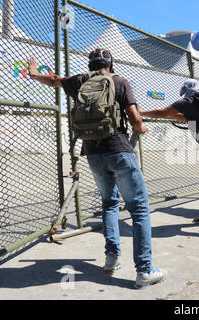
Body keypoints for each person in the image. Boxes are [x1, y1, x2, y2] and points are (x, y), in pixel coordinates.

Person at [26, 49, 166, 289]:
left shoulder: (80, 81)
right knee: (139, 209)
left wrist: (34, 73)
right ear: (110, 65)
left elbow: (54, 80)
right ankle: (144, 270)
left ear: (91, 65)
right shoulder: (120, 81)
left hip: (93, 153)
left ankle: (111, 258)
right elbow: (134, 118)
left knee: (109, 203)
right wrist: (141, 128)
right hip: (119, 150)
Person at [139, 79, 199, 237]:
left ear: (185, 89)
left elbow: (160, 113)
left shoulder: (186, 101)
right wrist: (174, 116)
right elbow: (186, 119)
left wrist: (141, 112)